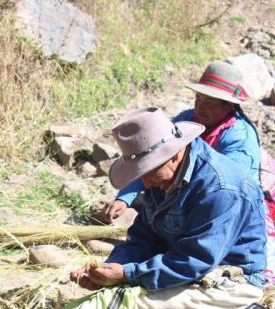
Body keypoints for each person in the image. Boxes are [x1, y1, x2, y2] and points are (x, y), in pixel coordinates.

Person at [0, 107, 265, 309]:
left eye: (147, 171)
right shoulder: (162, 182)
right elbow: (144, 237)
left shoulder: (221, 189)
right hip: (189, 267)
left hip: (229, 284)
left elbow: (194, 261)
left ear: (174, 156)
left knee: (132, 302)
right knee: (115, 291)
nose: (144, 183)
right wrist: (111, 267)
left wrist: (127, 274)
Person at [102, 60, 260, 222]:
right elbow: (148, 156)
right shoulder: (187, 120)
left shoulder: (240, 140)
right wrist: (124, 198)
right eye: (198, 98)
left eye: (209, 102)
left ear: (228, 106)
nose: (200, 106)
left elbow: (228, 192)